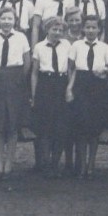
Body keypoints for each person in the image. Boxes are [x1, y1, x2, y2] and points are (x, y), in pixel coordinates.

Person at [0, 6, 31, 179]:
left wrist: (16, 79)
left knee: (12, 125)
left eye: (9, 19)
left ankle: (9, 165)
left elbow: (26, 63)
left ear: (15, 21)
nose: (6, 22)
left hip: (15, 80)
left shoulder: (21, 38)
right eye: (3, 19)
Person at [66, 15, 108, 179]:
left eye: (94, 28)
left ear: (99, 29)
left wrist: (104, 71)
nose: (91, 30)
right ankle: (82, 166)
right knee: (81, 128)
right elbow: (71, 69)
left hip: (97, 87)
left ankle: (92, 165)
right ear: (83, 29)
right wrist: (69, 89)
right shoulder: (76, 45)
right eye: (88, 27)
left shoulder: (105, 47)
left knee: (94, 129)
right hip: (80, 86)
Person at [30, 16, 71, 178]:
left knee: (60, 126)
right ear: (47, 30)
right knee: (44, 126)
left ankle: (55, 163)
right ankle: (43, 163)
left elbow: (71, 69)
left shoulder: (67, 45)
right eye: (54, 29)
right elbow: (34, 73)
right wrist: (33, 94)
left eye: (60, 30)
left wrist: (69, 88)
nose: (57, 32)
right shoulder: (39, 47)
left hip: (61, 84)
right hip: (45, 85)